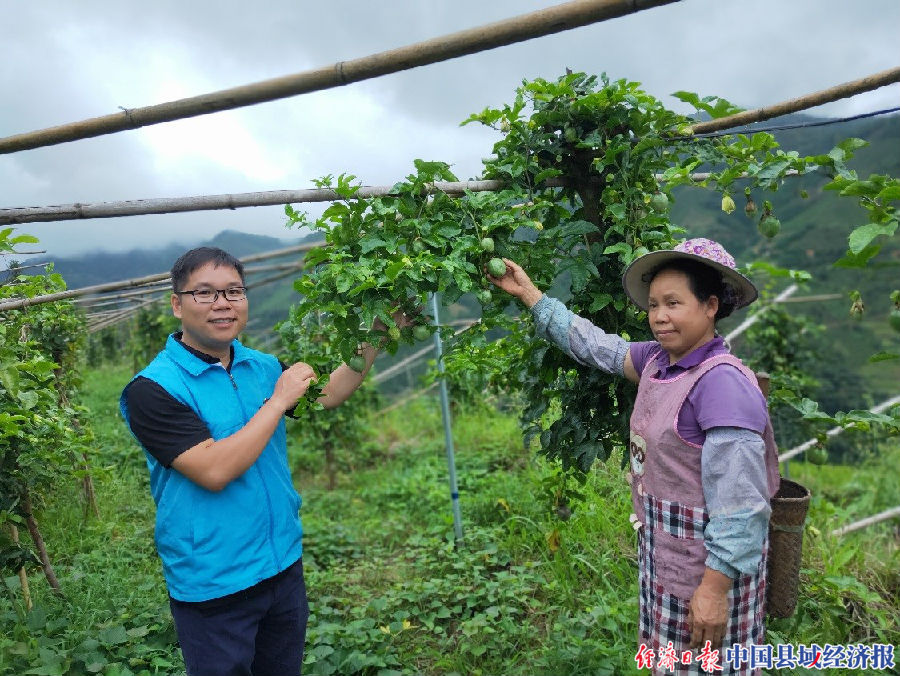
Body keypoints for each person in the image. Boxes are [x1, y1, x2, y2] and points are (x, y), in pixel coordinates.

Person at [489, 238, 780, 676]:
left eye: (674, 303)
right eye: (654, 304)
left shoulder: (721, 384)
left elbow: (742, 506)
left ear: (711, 306)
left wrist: (714, 591)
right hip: (669, 561)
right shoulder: (661, 363)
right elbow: (598, 347)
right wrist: (532, 297)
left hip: (710, 572)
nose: (659, 316)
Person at [120, 246, 404, 676]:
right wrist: (278, 401)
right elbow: (213, 470)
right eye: (205, 293)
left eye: (234, 291)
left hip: (280, 565)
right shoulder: (152, 389)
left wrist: (379, 335)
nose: (222, 304)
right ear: (177, 304)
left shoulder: (261, 366)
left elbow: (327, 394)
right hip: (214, 582)